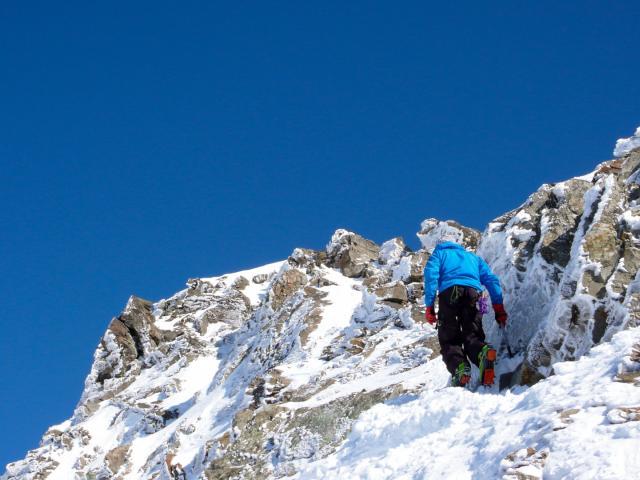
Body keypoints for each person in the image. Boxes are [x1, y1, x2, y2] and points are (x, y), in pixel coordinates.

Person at [423, 237, 507, 387]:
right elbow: (491, 280)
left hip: (449, 293)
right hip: (475, 294)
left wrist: (429, 306)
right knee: (473, 332)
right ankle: (482, 352)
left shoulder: (439, 255)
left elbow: (431, 276)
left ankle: (460, 368)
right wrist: (498, 308)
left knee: (449, 337)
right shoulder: (473, 258)